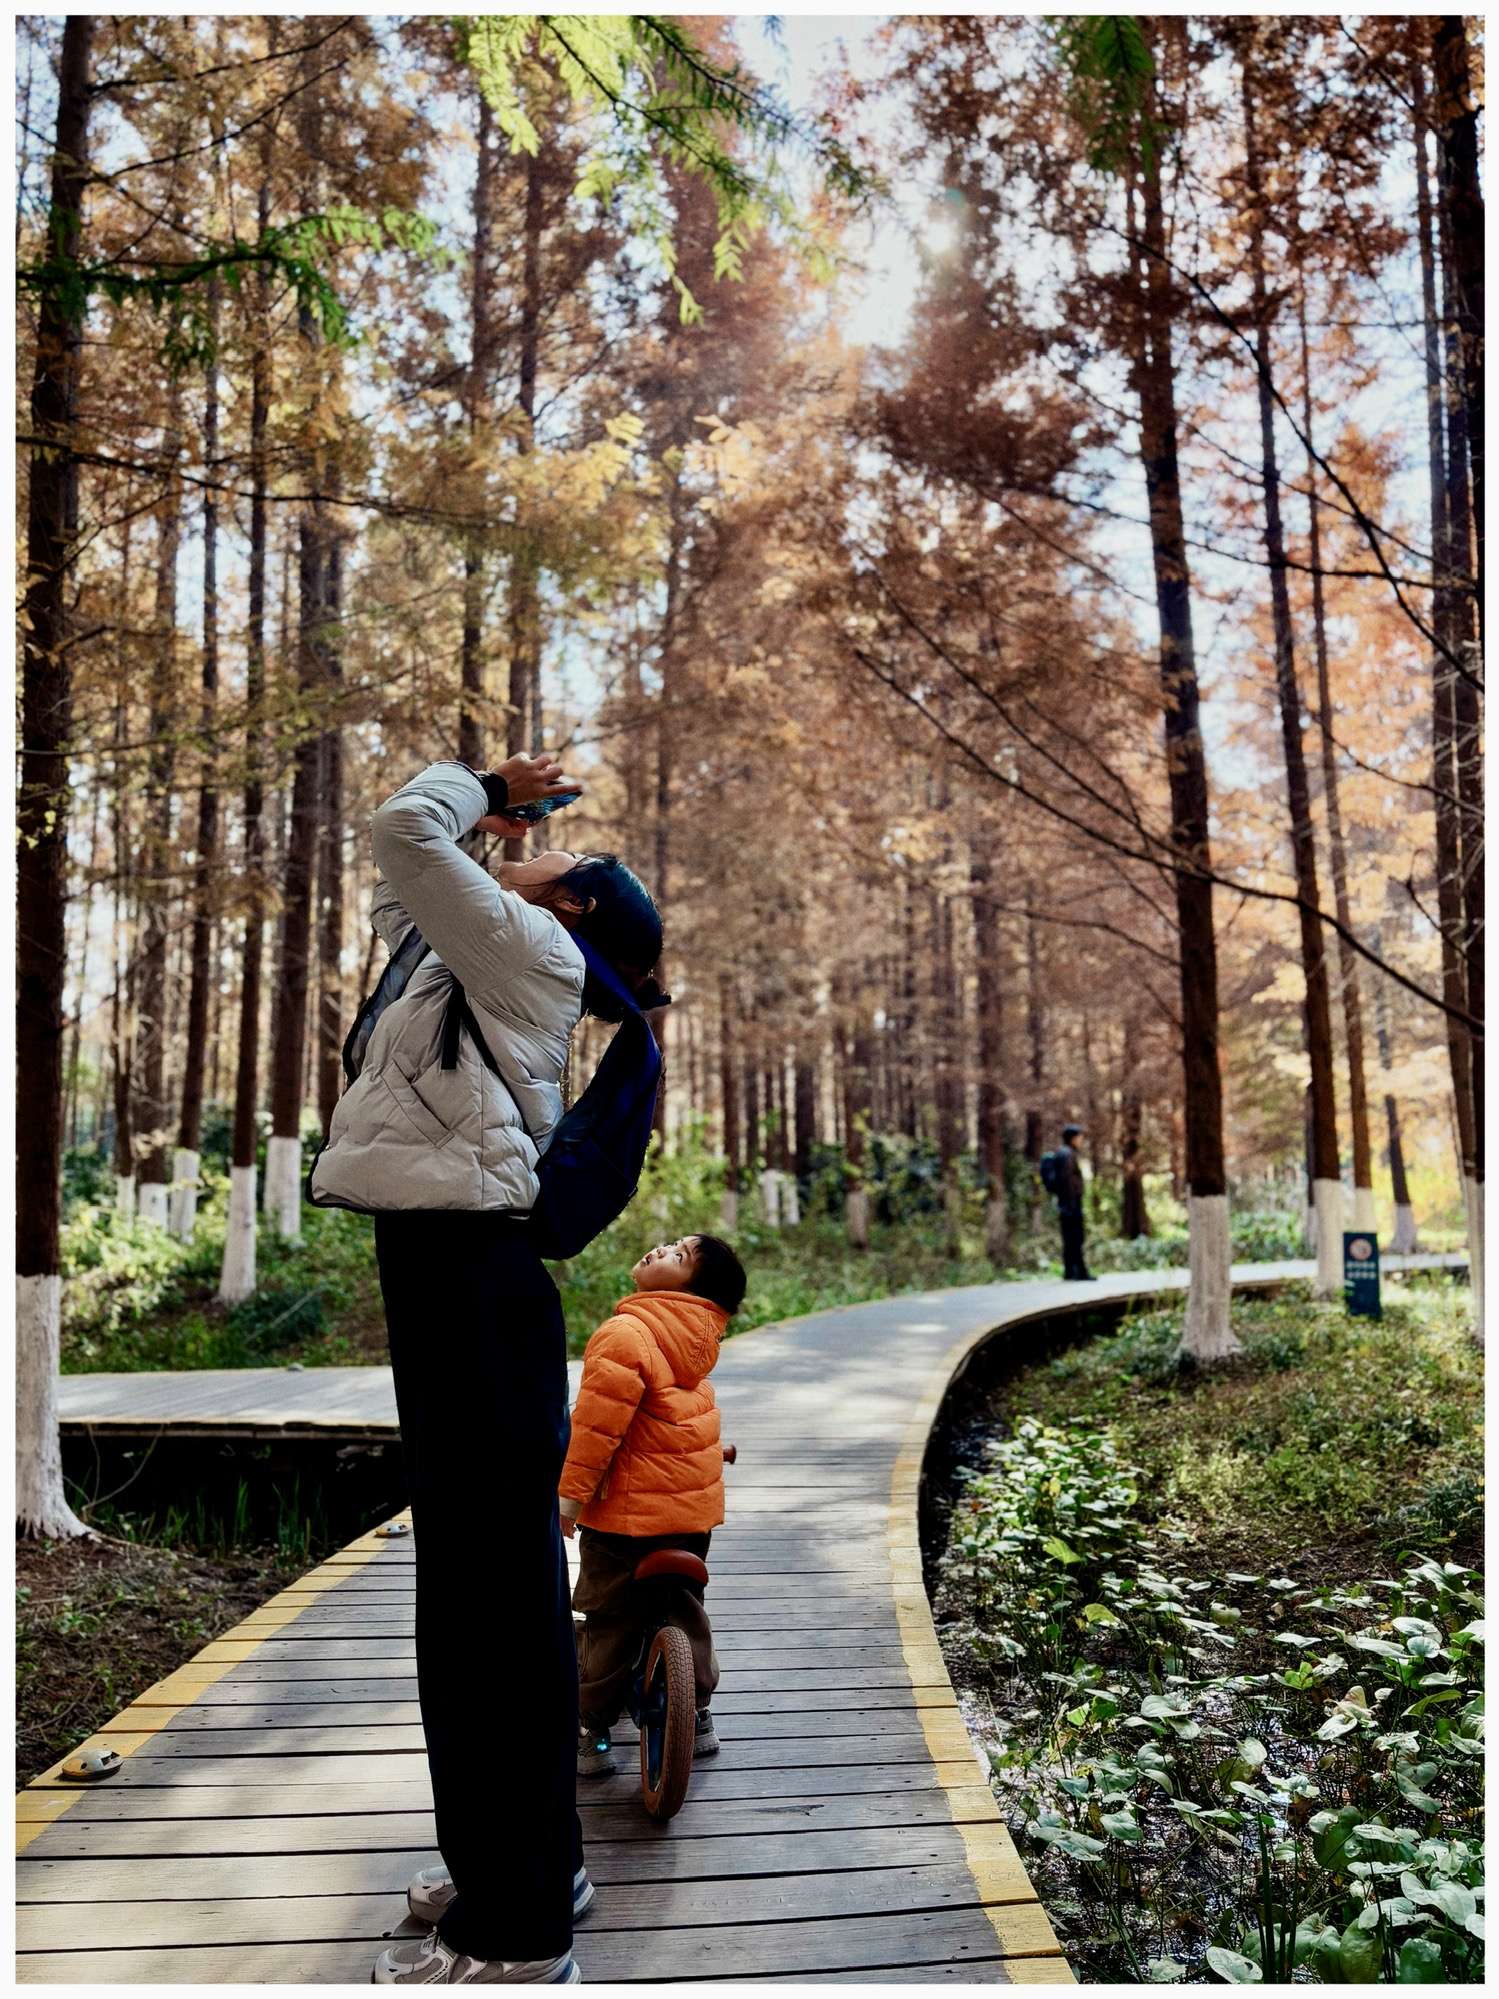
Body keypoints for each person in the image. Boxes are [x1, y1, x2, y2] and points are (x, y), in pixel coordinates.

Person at [311, 757, 662, 1987]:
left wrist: (483, 783)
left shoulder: (532, 952)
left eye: (549, 853)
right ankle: (522, 1865)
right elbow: (402, 887)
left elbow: (405, 830)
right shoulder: (472, 949)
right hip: (444, 1274)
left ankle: (516, 1935)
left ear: (572, 903)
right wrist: (494, 824)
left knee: (489, 1611)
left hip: (473, 1279)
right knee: (470, 1601)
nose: (522, 846)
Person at [559, 1234, 747, 1776]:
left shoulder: (626, 1333)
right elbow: (676, 1417)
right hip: (689, 1518)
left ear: (691, 1290)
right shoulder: (697, 1343)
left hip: (625, 1520)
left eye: (679, 1255)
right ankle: (700, 1714)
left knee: (609, 1614)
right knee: (684, 1603)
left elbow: (596, 1431)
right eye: (670, 1244)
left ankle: (591, 1728)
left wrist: (569, 1501)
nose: (662, 1249)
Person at [1055, 1123, 1094, 1282]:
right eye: (1079, 1137)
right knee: (1075, 1237)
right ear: (1072, 1138)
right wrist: (1071, 1203)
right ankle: (1079, 1271)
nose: (1081, 1140)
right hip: (1070, 1203)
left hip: (1067, 1202)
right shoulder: (1067, 1155)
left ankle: (1070, 1271)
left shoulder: (1064, 1153)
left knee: (1070, 1237)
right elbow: (1067, 1181)